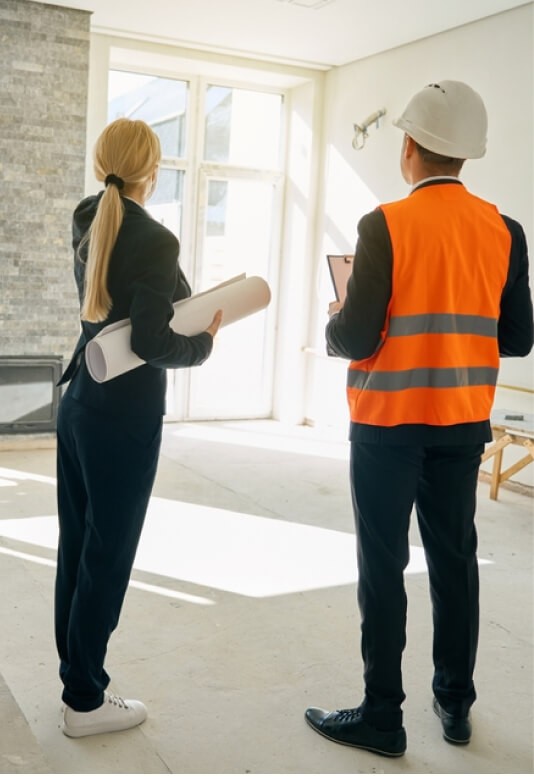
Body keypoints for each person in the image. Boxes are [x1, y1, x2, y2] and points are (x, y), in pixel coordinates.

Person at [305, 81, 534, 757]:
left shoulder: (383, 225)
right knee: (454, 559)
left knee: (383, 564)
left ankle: (383, 716)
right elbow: (518, 337)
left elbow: (357, 335)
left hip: (388, 423)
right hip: (462, 422)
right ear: (466, 154)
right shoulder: (505, 231)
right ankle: (455, 704)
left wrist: (334, 320)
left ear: (408, 146)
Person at [55, 117, 222, 738]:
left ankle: (77, 682)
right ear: (152, 171)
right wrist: (203, 343)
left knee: (78, 547)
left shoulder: (86, 217)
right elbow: (153, 340)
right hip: (123, 418)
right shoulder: (155, 238)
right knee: (109, 553)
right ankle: (85, 701)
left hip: (79, 400)